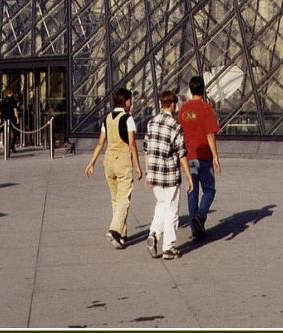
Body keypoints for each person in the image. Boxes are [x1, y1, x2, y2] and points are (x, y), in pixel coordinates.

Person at [84, 87, 144, 249]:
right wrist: (138, 166)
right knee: (124, 198)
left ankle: (122, 236)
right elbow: (132, 145)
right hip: (122, 161)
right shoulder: (128, 119)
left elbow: (100, 143)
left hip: (109, 161)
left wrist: (91, 163)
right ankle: (115, 230)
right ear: (125, 101)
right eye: (130, 100)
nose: (131, 103)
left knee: (116, 199)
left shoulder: (107, 118)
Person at [143, 91, 193, 260]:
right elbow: (181, 153)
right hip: (170, 174)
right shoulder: (175, 125)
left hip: (154, 173)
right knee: (171, 209)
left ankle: (154, 233)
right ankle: (168, 247)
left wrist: (148, 173)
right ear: (172, 105)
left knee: (161, 205)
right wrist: (189, 176)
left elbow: (146, 149)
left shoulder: (151, 123)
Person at [178, 75, 221, 239]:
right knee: (209, 189)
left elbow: (179, 133)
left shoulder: (183, 109)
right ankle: (200, 215)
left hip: (188, 156)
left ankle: (195, 228)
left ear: (190, 90)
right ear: (203, 89)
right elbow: (210, 135)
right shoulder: (206, 109)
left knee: (192, 191)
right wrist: (216, 156)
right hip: (204, 155)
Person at [0, 88, 19, 153]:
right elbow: (15, 110)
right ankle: (12, 145)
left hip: (5, 119)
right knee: (15, 133)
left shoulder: (3, 100)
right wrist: (17, 118)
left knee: (7, 133)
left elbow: (1, 109)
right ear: (12, 93)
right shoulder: (13, 100)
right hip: (12, 118)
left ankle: (8, 147)